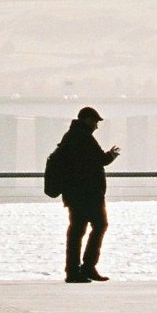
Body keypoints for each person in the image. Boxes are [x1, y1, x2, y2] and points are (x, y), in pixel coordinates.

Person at [44, 108, 115, 282]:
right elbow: (99, 160)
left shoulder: (72, 136)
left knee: (77, 230)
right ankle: (84, 268)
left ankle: (76, 269)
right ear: (86, 120)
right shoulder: (82, 137)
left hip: (76, 194)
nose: (97, 126)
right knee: (97, 226)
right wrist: (111, 155)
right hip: (87, 194)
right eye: (95, 121)